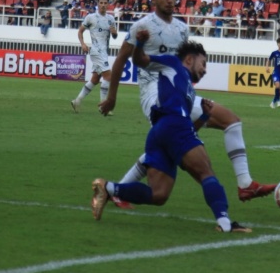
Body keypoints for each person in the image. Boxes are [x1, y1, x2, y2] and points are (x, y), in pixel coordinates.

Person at [98, 0, 276, 207]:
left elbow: (181, 68)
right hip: (154, 94)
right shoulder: (142, 26)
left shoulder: (182, 29)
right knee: (175, 143)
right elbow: (122, 59)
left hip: (179, 93)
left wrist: (189, 90)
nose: (170, 0)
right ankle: (244, 185)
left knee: (227, 123)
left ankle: (245, 184)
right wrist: (111, 97)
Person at [92, 40, 251, 234]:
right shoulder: (173, 63)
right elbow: (140, 58)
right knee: (205, 172)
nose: (205, 70)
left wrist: (204, 116)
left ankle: (108, 188)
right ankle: (225, 224)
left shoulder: (189, 91)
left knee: (159, 195)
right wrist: (140, 42)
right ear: (189, 59)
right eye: (203, 63)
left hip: (161, 133)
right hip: (172, 125)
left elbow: (190, 131)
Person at [71, 0, 117, 114]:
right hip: (96, 51)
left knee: (95, 79)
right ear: (98, 4)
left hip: (104, 52)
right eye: (101, 2)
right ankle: (103, 106)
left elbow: (115, 36)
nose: (103, 5)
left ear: (108, 5)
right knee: (108, 77)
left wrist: (115, 33)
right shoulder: (90, 17)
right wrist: (83, 44)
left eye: (105, 3)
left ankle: (77, 101)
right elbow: (80, 31)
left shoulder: (111, 19)